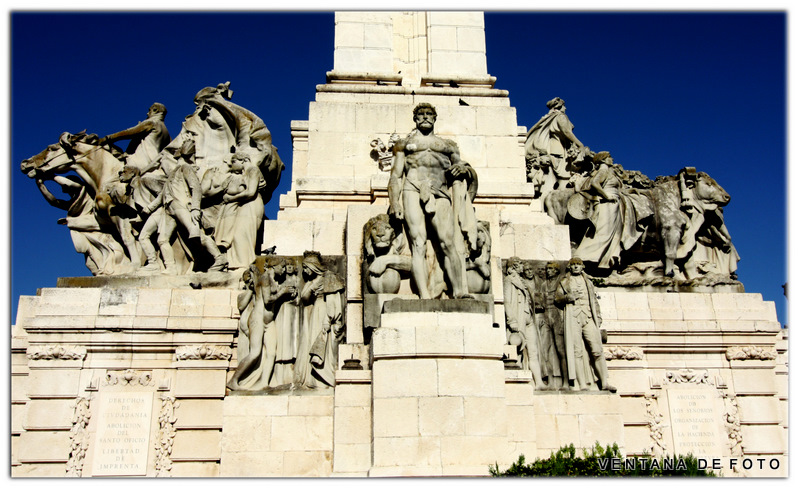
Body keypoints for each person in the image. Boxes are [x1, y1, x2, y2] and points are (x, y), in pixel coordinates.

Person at [388, 103, 477, 299]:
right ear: (415, 119)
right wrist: (394, 202)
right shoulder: (403, 144)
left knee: (448, 243)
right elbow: (396, 175)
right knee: (418, 244)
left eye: (429, 114)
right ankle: (424, 295)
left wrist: (463, 169)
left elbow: (461, 167)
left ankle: (460, 291)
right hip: (412, 188)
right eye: (421, 114)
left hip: (440, 191)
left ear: (435, 118)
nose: (425, 117)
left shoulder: (448, 146)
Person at [555, 258, 617, 392]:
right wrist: (568, 297)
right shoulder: (565, 282)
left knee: (597, 350)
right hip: (574, 317)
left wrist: (598, 316)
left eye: (578, 265)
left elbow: (594, 300)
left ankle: (604, 381)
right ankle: (582, 383)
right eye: (573, 265)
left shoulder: (588, 281)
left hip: (588, 317)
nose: (576, 267)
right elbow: (557, 298)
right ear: (570, 267)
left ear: (582, 267)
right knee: (576, 351)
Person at [294, 251, 345, 388]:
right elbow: (304, 298)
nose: (304, 271)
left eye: (306, 268)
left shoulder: (328, 278)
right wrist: (312, 285)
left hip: (323, 311)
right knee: (311, 341)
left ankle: (322, 379)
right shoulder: (313, 281)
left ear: (313, 266)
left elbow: (333, 302)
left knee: (322, 343)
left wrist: (327, 320)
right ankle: (311, 379)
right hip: (315, 311)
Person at [524, 97, 584, 191]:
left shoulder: (549, 117)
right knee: (562, 175)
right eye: (564, 106)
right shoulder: (560, 116)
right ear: (560, 106)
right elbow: (566, 132)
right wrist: (580, 145)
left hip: (552, 148)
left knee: (554, 176)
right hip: (558, 150)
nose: (565, 108)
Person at [503, 257, 543, 387]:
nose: (523, 267)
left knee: (533, 351)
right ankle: (518, 381)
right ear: (514, 266)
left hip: (528, 317)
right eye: (520, 264)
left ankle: (539, 382)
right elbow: (507, 301)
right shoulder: (509, 280)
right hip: (518, 317)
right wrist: (511, 320)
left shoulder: (522, 281)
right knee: (518, 349)